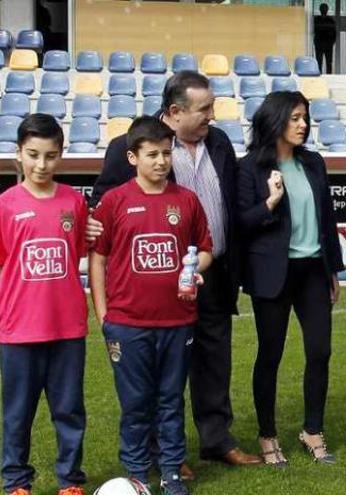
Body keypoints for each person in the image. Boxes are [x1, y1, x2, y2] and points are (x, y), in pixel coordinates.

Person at [89, 71, 260, 475]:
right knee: (159, 376)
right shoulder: (128, 146)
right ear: (174, 112)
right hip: (155, 284)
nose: (212, 116)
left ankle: (217, 439)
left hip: (211, 272)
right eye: (204, 110)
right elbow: (102, 209)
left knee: (214, 362)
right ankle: (166, 453)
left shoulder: (217, 142)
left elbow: (228, 204)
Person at [89, 116, 214, 495]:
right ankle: (137, 472)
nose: (161, 161)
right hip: (127, 324)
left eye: (166, 153)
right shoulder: (114, 201)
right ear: (132, 157)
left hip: (177, 321)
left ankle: (172, 471)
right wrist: (103, 313)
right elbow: (98, 258)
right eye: (152, 154)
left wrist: (194, 271)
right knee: (135, 403)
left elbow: (205, 250)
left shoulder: (186, 200)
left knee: (171, 400)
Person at [237, 91, 344, 467]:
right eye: (295, 117)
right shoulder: (250, 167)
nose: (303, 124)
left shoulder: (313, 163)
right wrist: (269, 203)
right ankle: (267, 436)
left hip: (313, 270)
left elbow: (327, 220)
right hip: (272, 276)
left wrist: (333, 268)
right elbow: (241, 223)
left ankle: (312, 430)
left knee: (320, 352)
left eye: (306, 117)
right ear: (276, 120)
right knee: (271, 355)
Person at [0, 114, 88, 495]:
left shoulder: (74, 201)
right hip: (19, 330)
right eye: (33, 155)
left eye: (50, 156)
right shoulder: (4, 205)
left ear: (61, 155)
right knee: (18, 413)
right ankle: (17, 480)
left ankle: (70, 480)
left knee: (69, 410)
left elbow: (81, 250)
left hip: (68, 327)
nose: (41, 165)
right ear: (18, 154)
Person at [313, 3, 336, 74]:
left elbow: (334, 32)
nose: (324, 10)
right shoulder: (317, 19)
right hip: (320, 43)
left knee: (328, 62)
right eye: (323, 8)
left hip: (327, 44)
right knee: (319, 62)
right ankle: (319, 75)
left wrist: (332, 42)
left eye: (325, 8)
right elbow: (315, 30)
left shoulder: (330, 20)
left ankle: (329, 76)